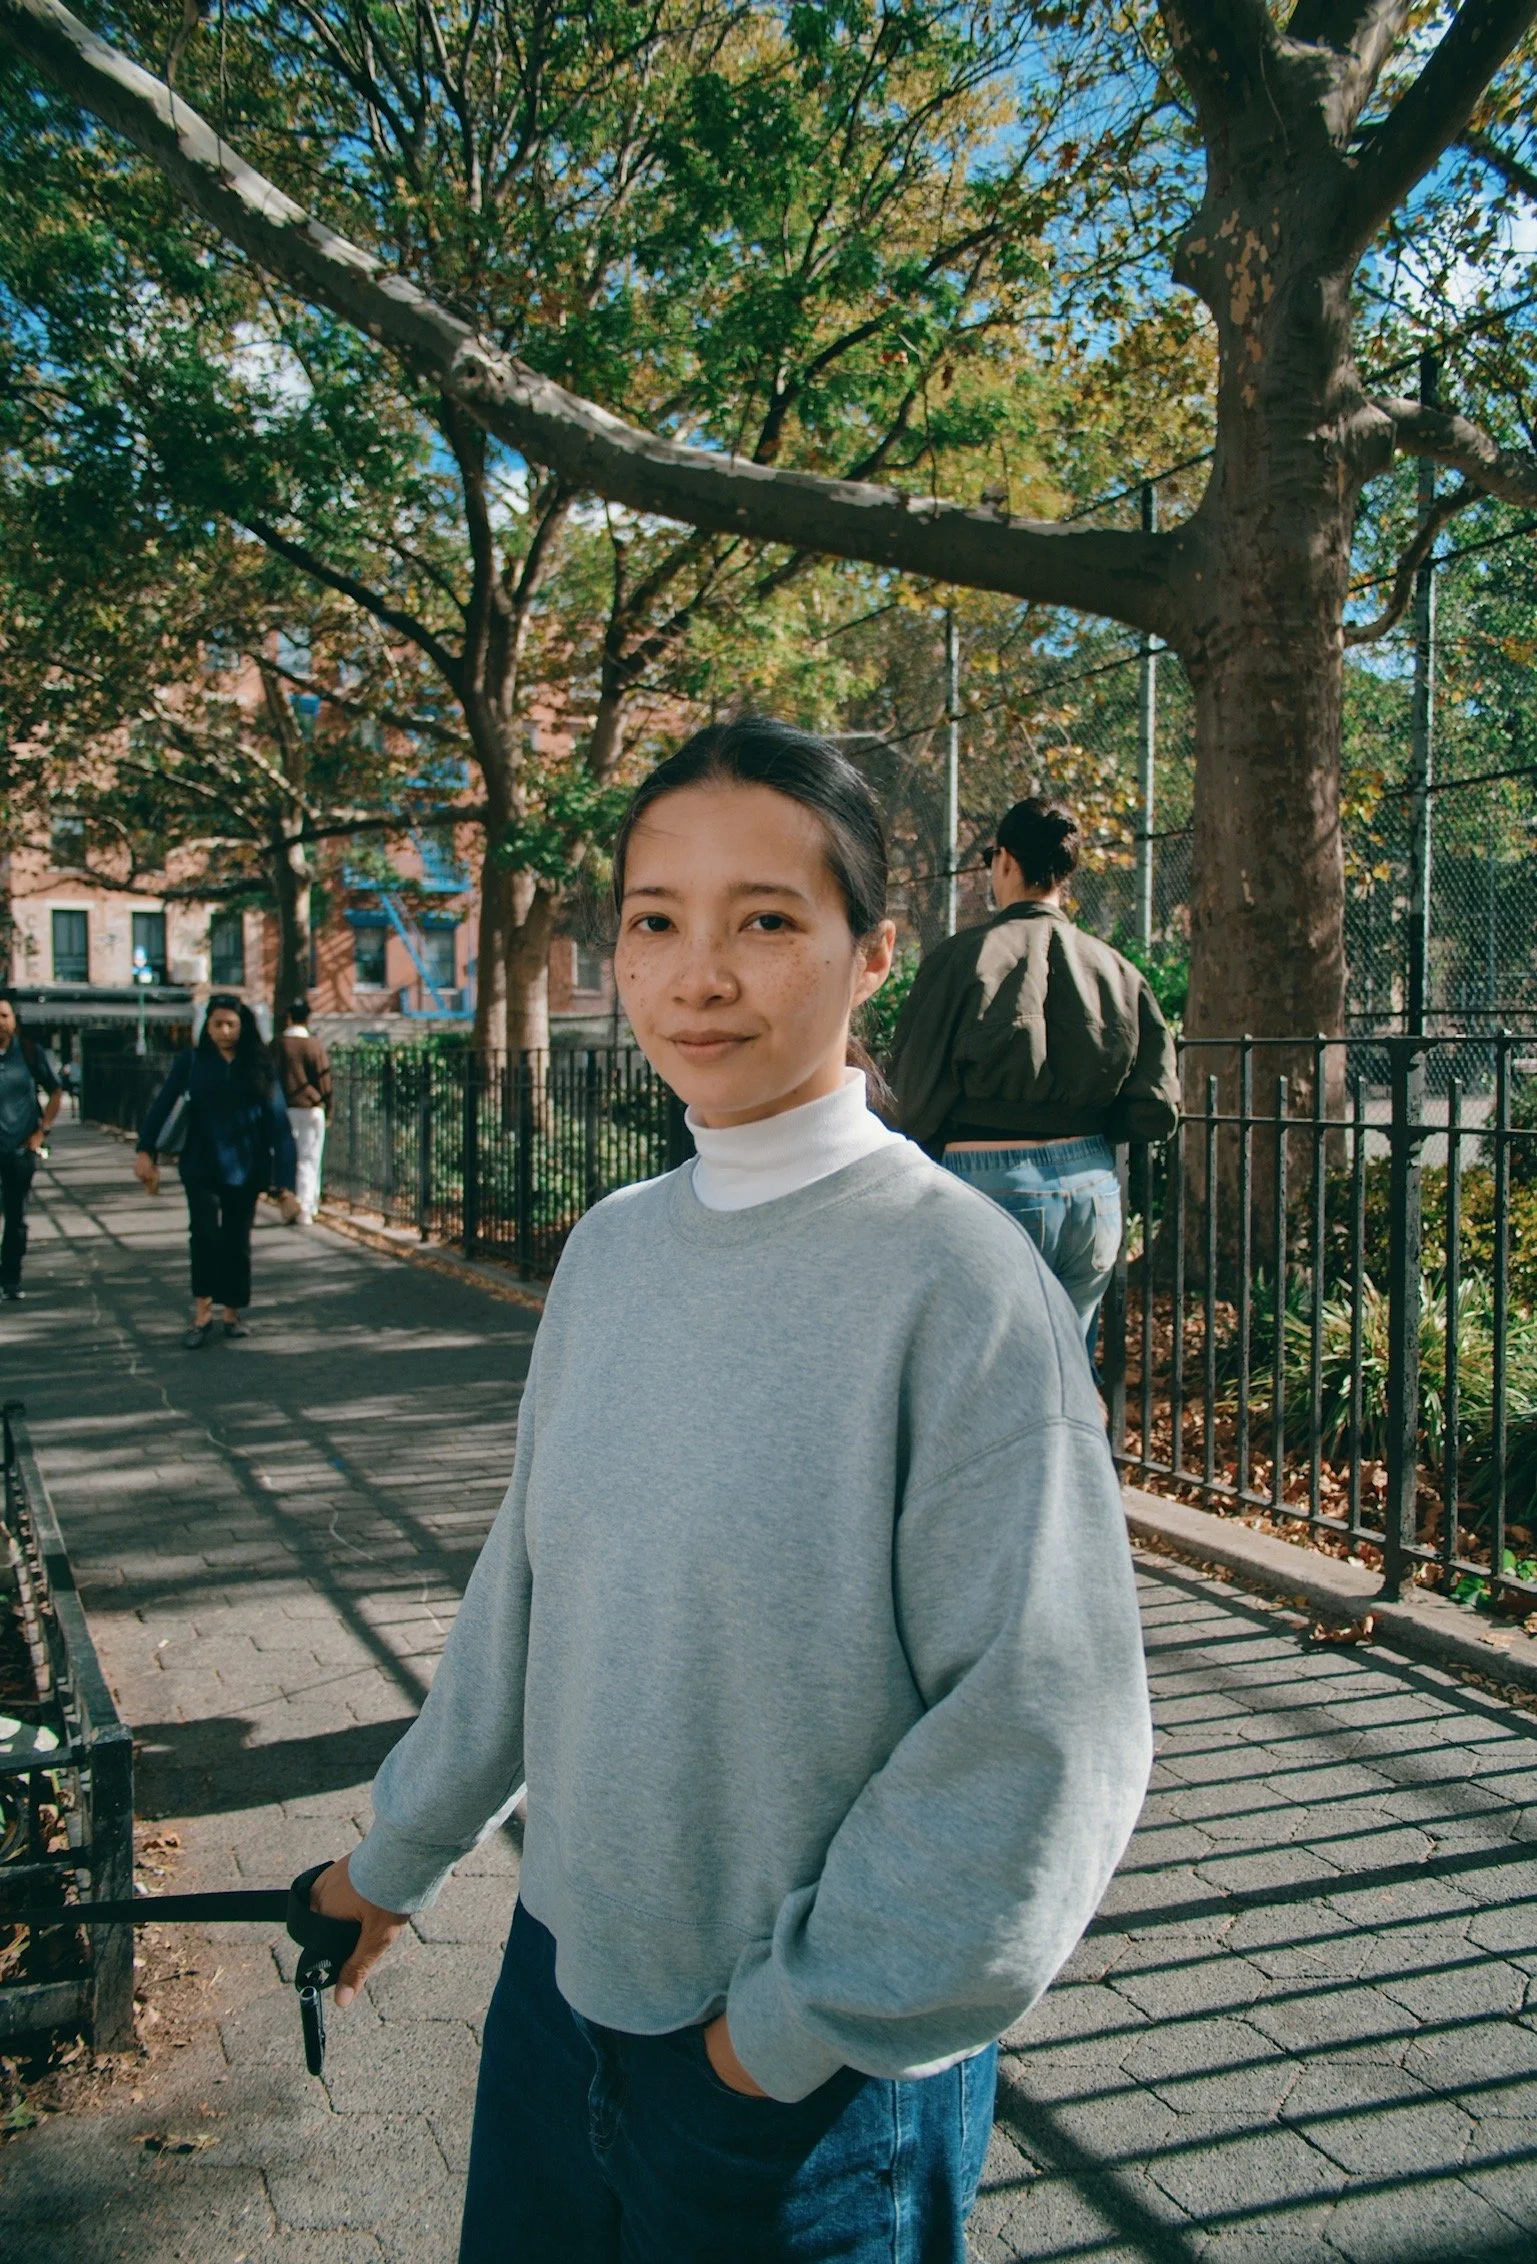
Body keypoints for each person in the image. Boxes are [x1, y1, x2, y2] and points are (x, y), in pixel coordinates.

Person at [310, 719, 1152, 2264]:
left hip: (800, 2095)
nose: (698, 977)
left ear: (870, 951)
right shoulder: (614, 1250)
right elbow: (530, 1595)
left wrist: (777, 2038)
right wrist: (389, 1865)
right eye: (655, 922)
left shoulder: (960, 1284)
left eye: (765, 920)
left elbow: (1043, 1734)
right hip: (557, 2007)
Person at [890, 795, 1180, 1352]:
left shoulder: (960, 960)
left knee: (983, 1383)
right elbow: (1156, 1106)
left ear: (1003, 859)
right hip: (1092, 1191)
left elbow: (909, 1095)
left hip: (987, 1183)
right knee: (1064, 1379)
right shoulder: (1117, 969)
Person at [134, 995, 299, 1348]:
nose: (224, 1032)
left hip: (247, 1167)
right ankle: (202, 1314)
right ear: (206, 1027)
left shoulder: (259, 1064)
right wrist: (145, 1150)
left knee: (237, 1241)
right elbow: (163, 1103)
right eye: (217, 1025)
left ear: (243, 1027)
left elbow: (279, 1125)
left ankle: (233, 1313)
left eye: (231, 1025)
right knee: (205, 1237)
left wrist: (285, 1185)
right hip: (201, 1165)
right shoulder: (192, 1062)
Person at [0, 988, 63, 1303]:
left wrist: (42, 1131)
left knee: (15, 1217)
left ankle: (9, 1279)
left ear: (14, 1020)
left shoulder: (28, 1052)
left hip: (19, 1150)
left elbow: (54, 1090)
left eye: (4, 1016)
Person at [274, 995, 332, 1225]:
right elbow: (325, 1080)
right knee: (310, 1159)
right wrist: (329, 1109)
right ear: (308, 1018)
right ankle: (307, 1207)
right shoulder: (314, 1044)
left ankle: (289, 1202)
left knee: (287, 1157)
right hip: (311, 1108)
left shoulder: (277, 1044)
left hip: (284, 1109)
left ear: (289, 1017)